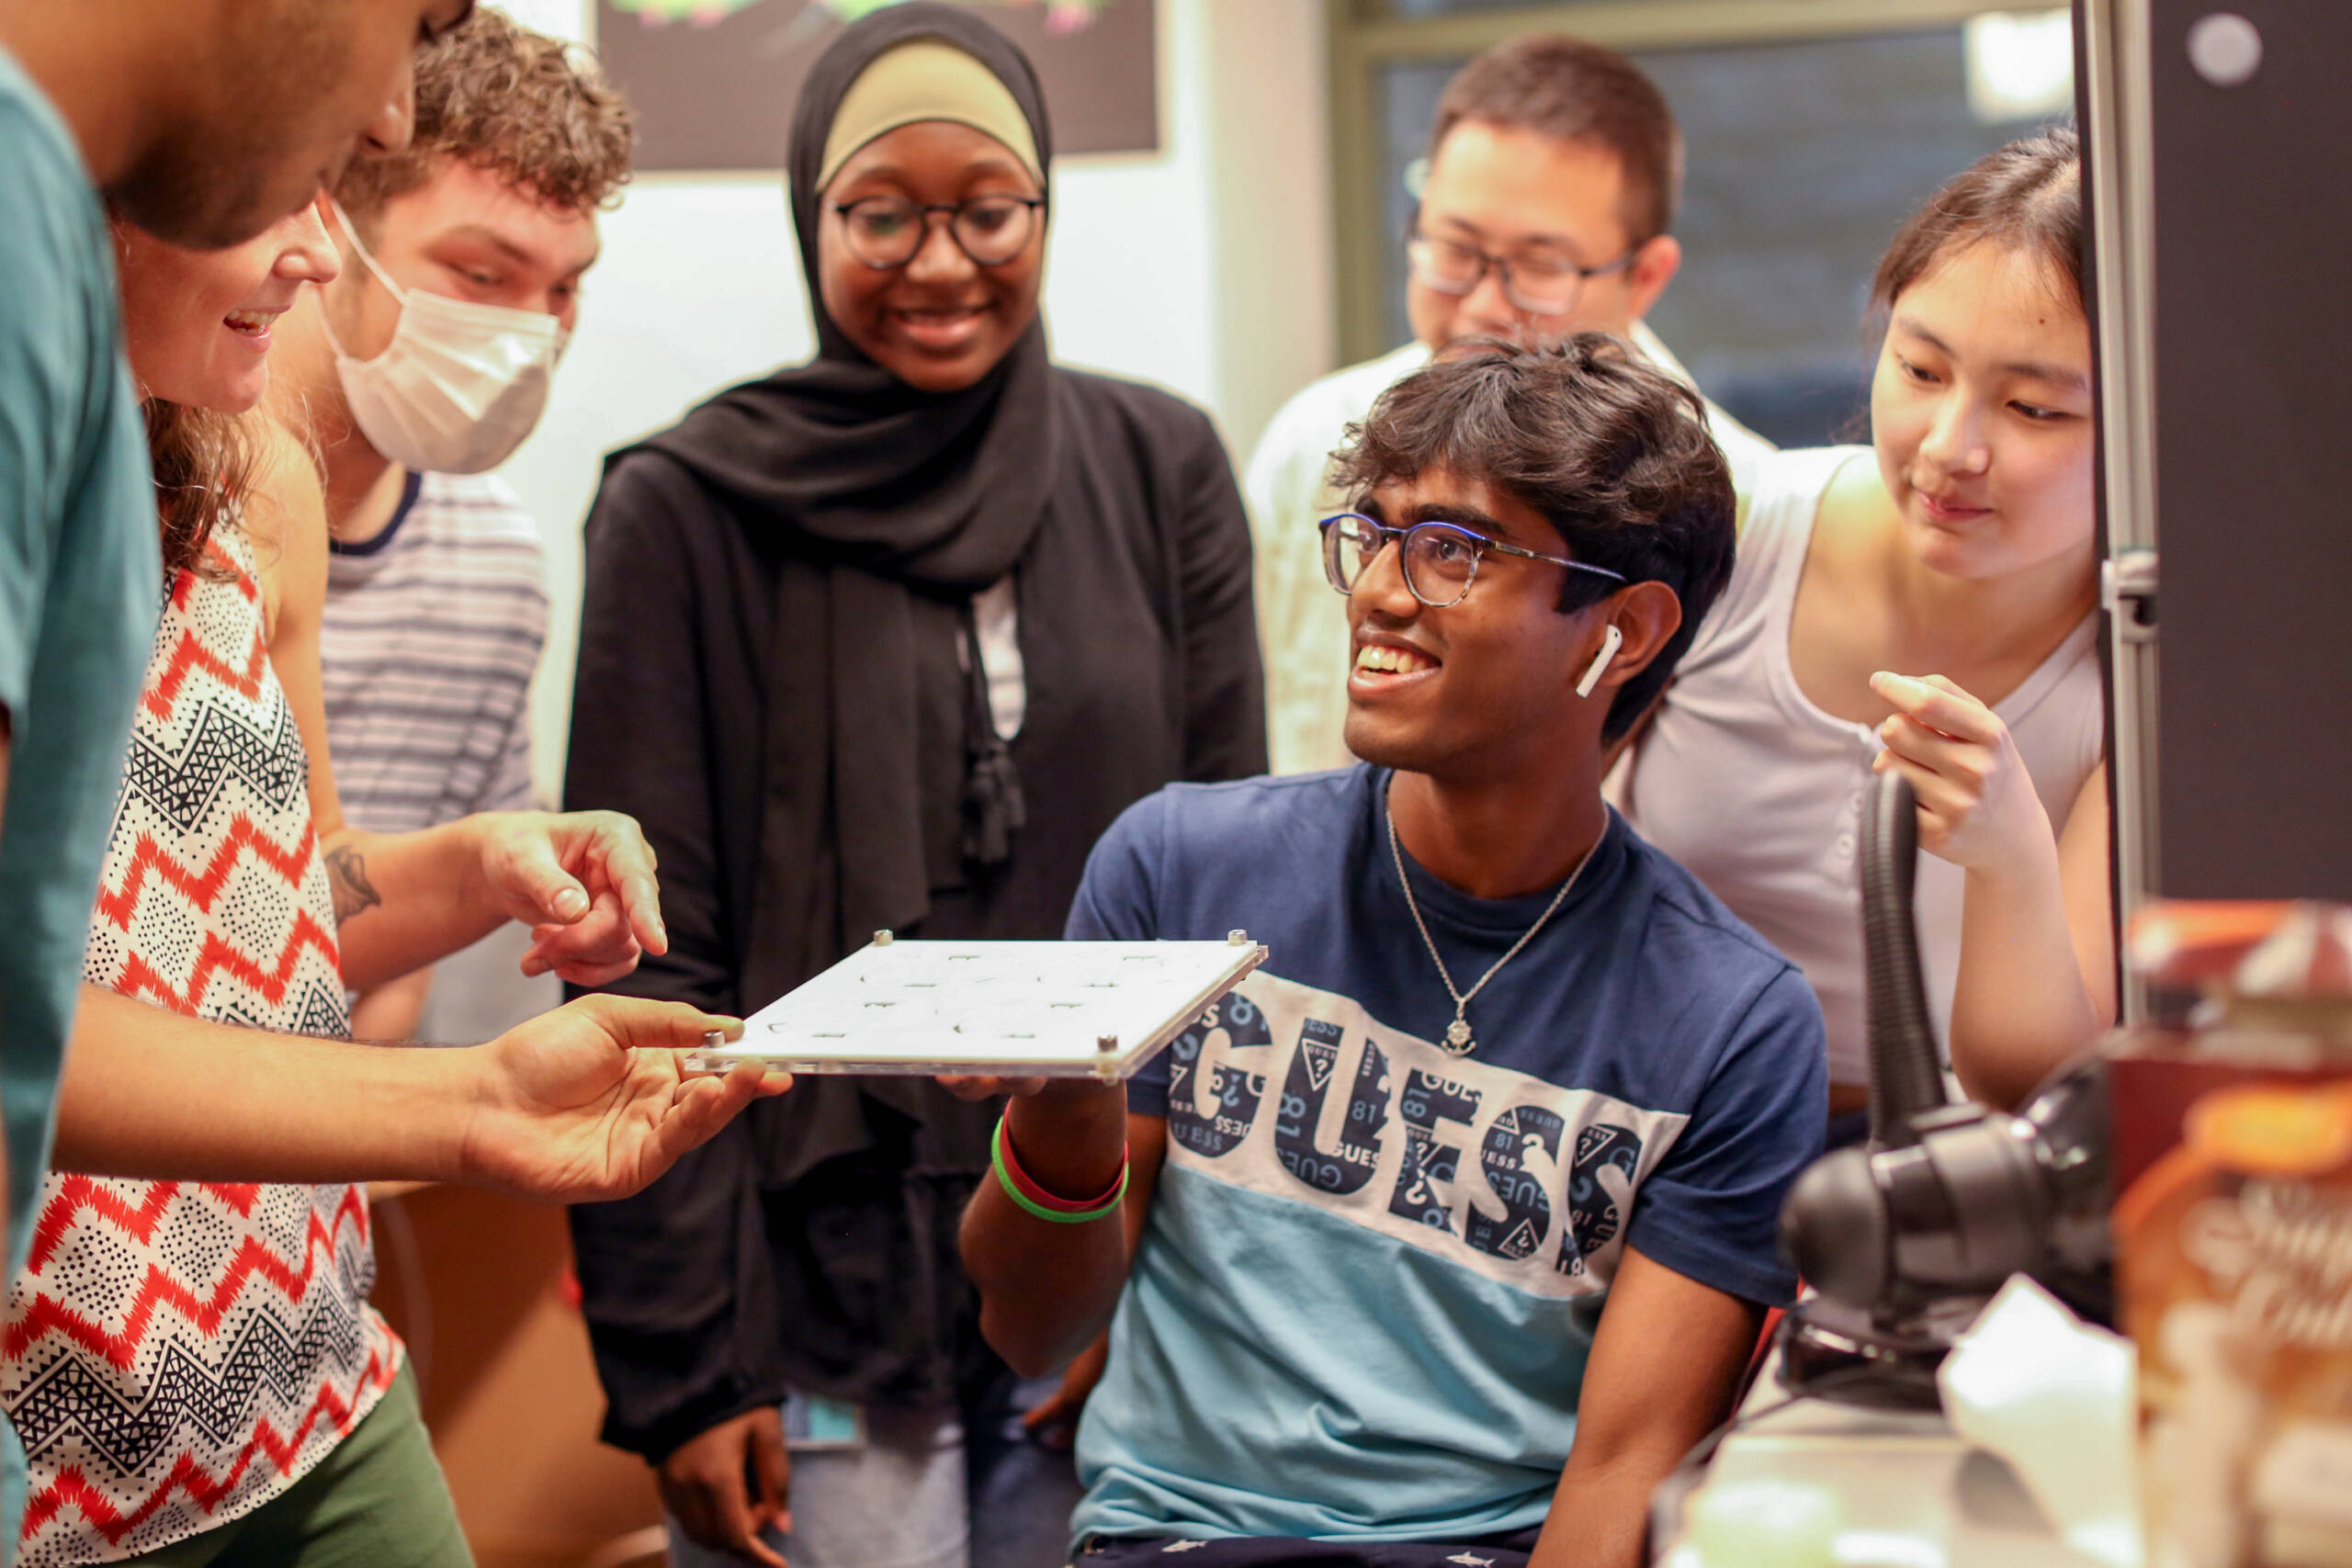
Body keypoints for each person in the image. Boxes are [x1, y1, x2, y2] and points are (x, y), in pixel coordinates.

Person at [561, 7, 1265, 1566]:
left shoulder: (1159, 467)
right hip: (804, 1282)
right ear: (813, 209)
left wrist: (1150, 1279)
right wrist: (684, 1365)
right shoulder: (684, 506)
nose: (939, 261)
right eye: (881, 211)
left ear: (1045, 215)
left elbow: (1224, 908)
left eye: (988, 209)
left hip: (1100, 1233)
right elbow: (644, 953)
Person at [1, 194, 786, 1566]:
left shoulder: (250, 472)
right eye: (258, 197)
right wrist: (469, 1103)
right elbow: (30, 1036)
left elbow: (280, 905)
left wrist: (474, 865)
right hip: (57, 1459)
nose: (310, 254)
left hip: (308, 1378)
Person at [958, 337, 1826, 1568]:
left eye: (1455, 551)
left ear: (1622, 628)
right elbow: (1035, 1332)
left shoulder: (1732, 1022)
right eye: (1375, 533)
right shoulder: (1178, 868)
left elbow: (1622, 1470)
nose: (1377, 591)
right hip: (1175, 1540)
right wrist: (1058, 1106)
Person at [1610, 129, 2108, 1121]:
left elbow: (2039, 1093)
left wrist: (2012, 862)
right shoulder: (1732, 530)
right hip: (1636, 1117)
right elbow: (1506, 839)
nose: (1950, 447)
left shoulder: (2145, 672)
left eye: (2032, 409)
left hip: (1920, 1192)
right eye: (1920, 370)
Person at [1248, 33, 1773, 776]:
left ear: (1646, 276)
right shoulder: (1314, 439)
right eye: (1455, 250)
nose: (1485, 306)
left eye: (1539, 267)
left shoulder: (1745, 503)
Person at [272, 5, 634, 1044]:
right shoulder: (176, 503)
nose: (527, 332)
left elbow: (381, 943)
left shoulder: (498, 568)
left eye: (563, 289)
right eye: (481, 276)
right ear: (329, 214)